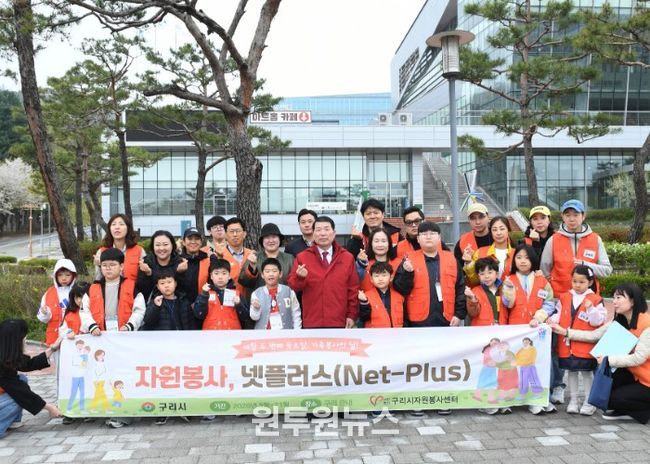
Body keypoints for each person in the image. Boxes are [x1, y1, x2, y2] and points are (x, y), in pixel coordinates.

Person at [392, 221, 466, 416]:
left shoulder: (450, 259)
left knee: (444, 362)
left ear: (439, 238)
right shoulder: (409, 259)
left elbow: (460, 288)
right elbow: (399, 288)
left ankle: (442, 399)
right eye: (424, 234)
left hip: (446, 319)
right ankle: (418, 399)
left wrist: (459, 314)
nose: (428, 236)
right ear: (418, 239)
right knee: (419, 362)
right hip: (418, 321)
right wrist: (406, 273)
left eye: (433, 233)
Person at [550, 283, 650, 423]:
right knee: (605, 393)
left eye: (619, 298)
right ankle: (630, 408)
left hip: (647, 382)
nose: (614, 301)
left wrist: (608, 359)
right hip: (636, 377)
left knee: (611, 399)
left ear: (632, 301)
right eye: (614, 297)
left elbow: (639, 358)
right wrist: (565, 332)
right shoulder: (621, 321)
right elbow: (594, 335)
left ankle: (643, 411)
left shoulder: (646, 324)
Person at [81, 248, 146, 429]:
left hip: (125, 340)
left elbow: (139, 309)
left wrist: (130, 326)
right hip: (100, 340)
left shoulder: (132, 286)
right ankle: (103, 409)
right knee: (104, 376)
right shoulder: (92, 288)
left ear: (122, 266)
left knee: (122, 376)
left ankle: (123, 414)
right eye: (104, 265)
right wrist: (91, 326)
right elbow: (84, 311)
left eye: (112, 265)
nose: (108, 268)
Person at [552, 265, 607, 416]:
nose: (577, 285)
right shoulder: (565, 297)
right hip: (566, 344)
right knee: (571, 372)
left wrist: (591, 309)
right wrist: (551, 321)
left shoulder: (596, 299)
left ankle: (589, 401)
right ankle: (574, 400)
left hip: (585, 345)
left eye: (582, 282)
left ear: (590, 282)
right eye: (574, 281)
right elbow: (558, 314)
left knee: (587, 373)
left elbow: (597, 322)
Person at [143, 270, 195, 425]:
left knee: (182, 378)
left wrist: (192, 343)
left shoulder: (183, 301)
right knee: (165, 380)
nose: (166, 286)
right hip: (163, 348)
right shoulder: (155, 301)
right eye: (162, 283)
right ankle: (163, 411)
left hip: (182, 346)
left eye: (169, 282)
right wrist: (155, 307)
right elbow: (148, 322)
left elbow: (191, 323)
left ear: (175, 283)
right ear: (157, 286)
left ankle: (184, 408)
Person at [288, 216, 358, 329]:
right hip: (312, 321)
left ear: (334, 233)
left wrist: (351, 315)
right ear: (313, 234)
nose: (322, 233)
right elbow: (293, 285)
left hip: (339, 320)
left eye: (326, 229)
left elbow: (353, 289)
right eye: (318, 230)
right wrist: (300, 277)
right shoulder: (303, 257)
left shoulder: (347, 257)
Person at [0, 319, 62, 437]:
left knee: (22, 380)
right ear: (14, 343)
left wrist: (52, 349)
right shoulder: (2, 367)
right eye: (24, 339)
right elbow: (20, 393)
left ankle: (12, 420)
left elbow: (28, 364)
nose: (25, 342)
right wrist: (49, 407)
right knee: (18, 398)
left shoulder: (4, 354)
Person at [540, 199, 612, 296]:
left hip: (588, 299)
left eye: (576, 215)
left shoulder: (595, 239)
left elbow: (607, 270)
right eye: (567, 215)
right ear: (562, 216)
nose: (571, 219)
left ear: (583, 216)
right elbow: (544, 271)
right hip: (559, 298)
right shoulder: (553, 240)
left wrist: (585, 265)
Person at [193, 259, 250, 331]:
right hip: (210, 334)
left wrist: (239, 304)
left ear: (229, 276)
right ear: (211, 276)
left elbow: (245, 317)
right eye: (216, 273)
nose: (220, 277)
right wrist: (204, 295)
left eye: (224, 273)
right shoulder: (205, 293)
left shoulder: (237, 294)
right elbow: (199, 315)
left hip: (233, 334)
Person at [239, 223, 294, 292]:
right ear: (262, 241)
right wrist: (252, 268)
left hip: (284, 297)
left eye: (274, 237)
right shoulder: (254, 257)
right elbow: (243, 281)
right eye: (267, 237)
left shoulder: (289, 259)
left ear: (279, 239)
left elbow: (295, 283)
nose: (271, 241)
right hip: (258, 298)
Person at [250, 258, 302, 330]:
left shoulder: (289, 292)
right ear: (262, 275)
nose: (271, 274)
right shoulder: (256, 294)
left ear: (280, 274)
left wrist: (297, 332)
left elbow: (296, 314)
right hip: (263, 334)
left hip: (285, 334)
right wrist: (256, 308)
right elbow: (254, 317)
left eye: (274, 271)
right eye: (267, 271)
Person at [136, 230, 187, 301]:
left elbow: (186, 290)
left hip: (176, 304)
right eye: (157, 245)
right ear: (153, 247)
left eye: (165, 244)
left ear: (172, 245)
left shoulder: (180, 262)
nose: (162, 248)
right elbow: (141, 291)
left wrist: (180, 273)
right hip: (152, 305)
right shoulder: (146, 263)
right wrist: (148, 274)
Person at [463, 216, 514, 287]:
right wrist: (469, 263)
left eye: (502, 229)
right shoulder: (480, 252)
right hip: (485, 294)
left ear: (508, 230)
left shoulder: (516, 254)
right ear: (491, 232)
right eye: (494, 230)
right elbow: (474, 282)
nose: (498, 233)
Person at [36, 259, 77, 346]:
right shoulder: (49, 293)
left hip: (73, 335)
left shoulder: (78, 292)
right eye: (60, 275)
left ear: (73, 276)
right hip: (54, 337)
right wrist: (45, 312)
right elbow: (44, 319)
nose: (64, 278)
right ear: (55, 276)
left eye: (68, 275)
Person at [94, 213, 146, 281]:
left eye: (121, 224)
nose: (117, 227)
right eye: (113, 224)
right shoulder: (102, 252)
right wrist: (99, 265)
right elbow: (98, 280)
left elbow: (144, 280)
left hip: (132, 287)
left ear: (128, 228)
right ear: (109, 229)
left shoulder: (139, 251)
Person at [213, 218, 254, 296]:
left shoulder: (252, 255)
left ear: (244, 234)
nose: (235, 234)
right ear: (225, 235)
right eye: (231, 231)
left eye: (238, 231)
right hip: (226, 300)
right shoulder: (218, 255)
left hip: (249, 300)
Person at [358, 261, 404, 328]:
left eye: (384, 275)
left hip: (396, 333)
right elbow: (363, 317)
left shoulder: (399, 297)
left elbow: (405, 319)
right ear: (371, 279)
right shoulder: (366, 296)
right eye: (376, 276)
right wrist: (364, 303)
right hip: (374, 333)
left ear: (391, 277)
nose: (380, 279)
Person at [465, 258, 502, 328]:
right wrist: (472, 298)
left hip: (502, 329)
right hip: (482, 330)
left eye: (490, 272)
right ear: (478, 276)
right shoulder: (475, 291)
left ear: (497, 274)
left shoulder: (503, 290)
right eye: (482, 274)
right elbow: (473, 313)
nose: (486, 276)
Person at [177, 227, 210, 304]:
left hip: (204, 305)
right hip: (181, 306)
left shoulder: (208, 261)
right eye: (190, 239)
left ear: (201, 242)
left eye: (196, 239)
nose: (193, 242)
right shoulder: (177, 261)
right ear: (184, 242)